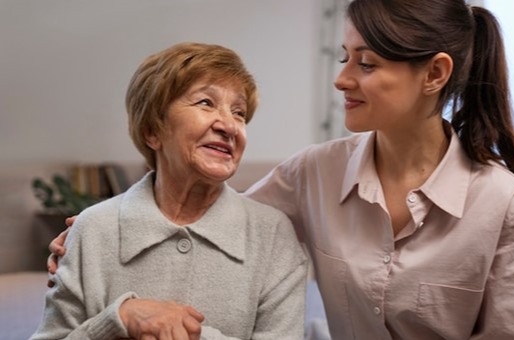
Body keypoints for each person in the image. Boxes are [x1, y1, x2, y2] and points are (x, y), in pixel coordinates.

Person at [48, 0, 514, 338]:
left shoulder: (501, 203)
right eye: (343, 57)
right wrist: (90, 236)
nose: (341, 79)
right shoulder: (314, 172)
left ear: (435, 74)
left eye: (366, 64)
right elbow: (217, 222)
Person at [32, 42, 308, 340]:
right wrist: (119, 318)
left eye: (239, 112)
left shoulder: (273, 235)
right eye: (205, 102)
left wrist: (184, 333)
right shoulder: (92, 229)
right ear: (153, 131)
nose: (230, 125)